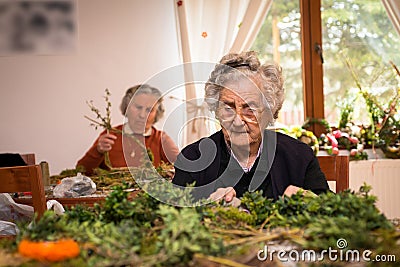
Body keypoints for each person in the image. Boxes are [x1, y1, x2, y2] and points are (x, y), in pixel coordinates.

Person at [172, 51, 329, 203]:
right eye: (228, 108)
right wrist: (204, 205)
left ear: (268, 112)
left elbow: (332, 210)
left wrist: (310, 200)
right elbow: (169, 218)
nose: (238, 121)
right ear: (217, 111)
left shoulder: (298, 156)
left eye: (250, 108)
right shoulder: (193, 159)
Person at [77, 84, 179, 175]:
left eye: (149, 110)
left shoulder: (161, 139)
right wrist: (98, 151)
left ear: (157, 113)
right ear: (127, 108)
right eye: (138, 107)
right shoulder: (111, 135)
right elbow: (81, 172)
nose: (142, 115)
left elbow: (183, 168)